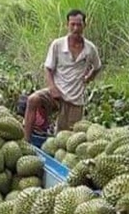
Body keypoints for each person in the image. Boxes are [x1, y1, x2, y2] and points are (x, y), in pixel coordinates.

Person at [23, 9, 102, 141]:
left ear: (84, 25)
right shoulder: (58, 45)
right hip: (56, 93)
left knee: (64, 139)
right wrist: (52, 88)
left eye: (79, 24)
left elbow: (97, 67)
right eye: (72, 24)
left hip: (75, 98)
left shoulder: (90, 49)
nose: (75, 28)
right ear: (67, 25)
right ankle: (26, 140)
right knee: (33, 100)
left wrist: (89, 78)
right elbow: (48, 68)